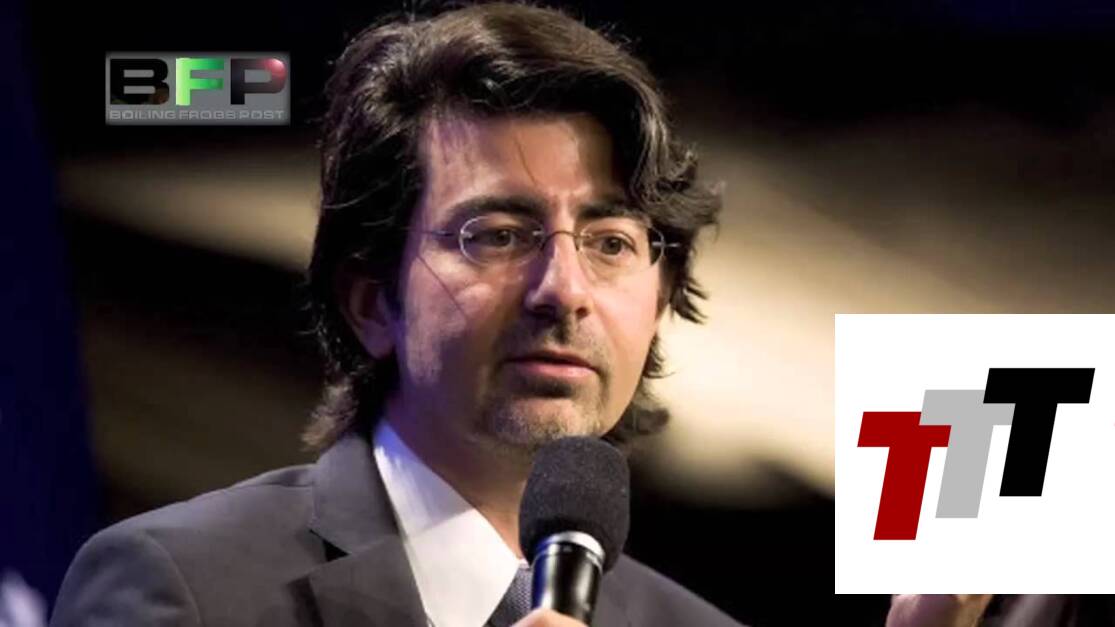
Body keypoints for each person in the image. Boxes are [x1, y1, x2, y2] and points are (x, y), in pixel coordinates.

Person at [50, 3, 742, 626]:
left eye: (611, 243)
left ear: (658, 302)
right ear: (372, 302)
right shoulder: (184, 586)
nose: (564, 289)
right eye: (498, 235)